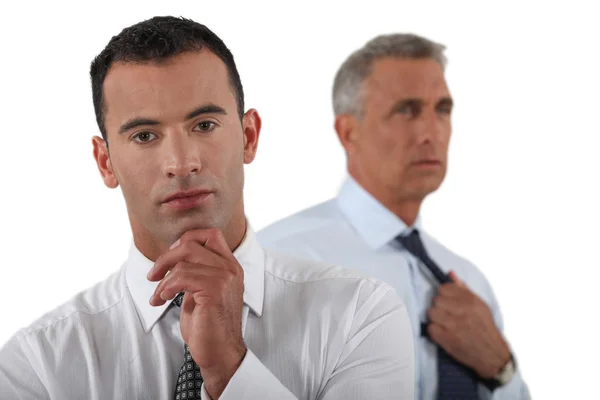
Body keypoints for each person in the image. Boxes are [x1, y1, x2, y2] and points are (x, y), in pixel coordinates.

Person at [0, 17, 415, 399]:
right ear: (105, 162)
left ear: (249, 136)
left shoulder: (360, 315)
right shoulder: (37, 365)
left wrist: (230, 368)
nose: (181, 163)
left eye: (204, 125)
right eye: (145, 136)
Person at [258, 34, 530, 400]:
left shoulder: (468, 282)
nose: (431, 132)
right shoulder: (280, 262)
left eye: (443, 110)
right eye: (407, 110)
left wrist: (501, 369)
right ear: (348, 132)